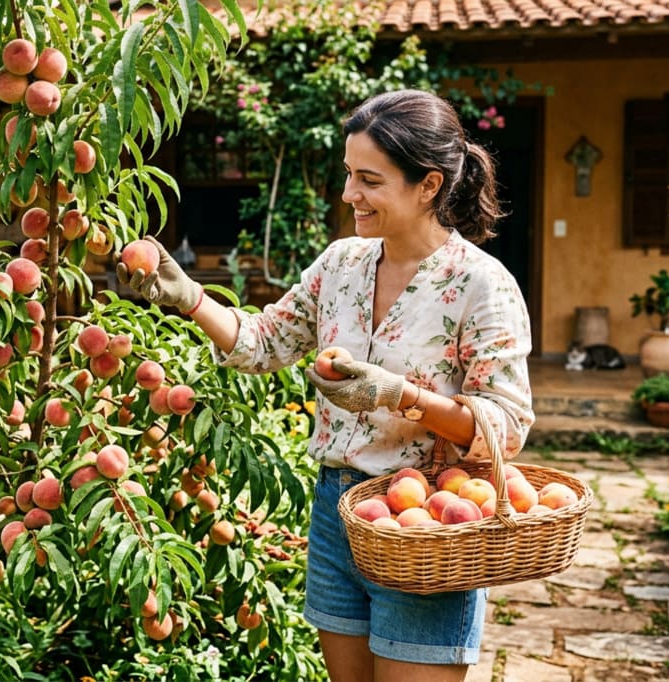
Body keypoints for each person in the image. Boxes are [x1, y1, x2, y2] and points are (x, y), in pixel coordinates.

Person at [118, 89, 533, 682]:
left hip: (428, 524)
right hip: (338, 510)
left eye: (368, 179)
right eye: (347, 174)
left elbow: (506, 427)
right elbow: (263, 342)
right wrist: (191, 299)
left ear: (429, 185)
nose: (348, 195)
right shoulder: (343, 265)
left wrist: (401, 396)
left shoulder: (480, 284)